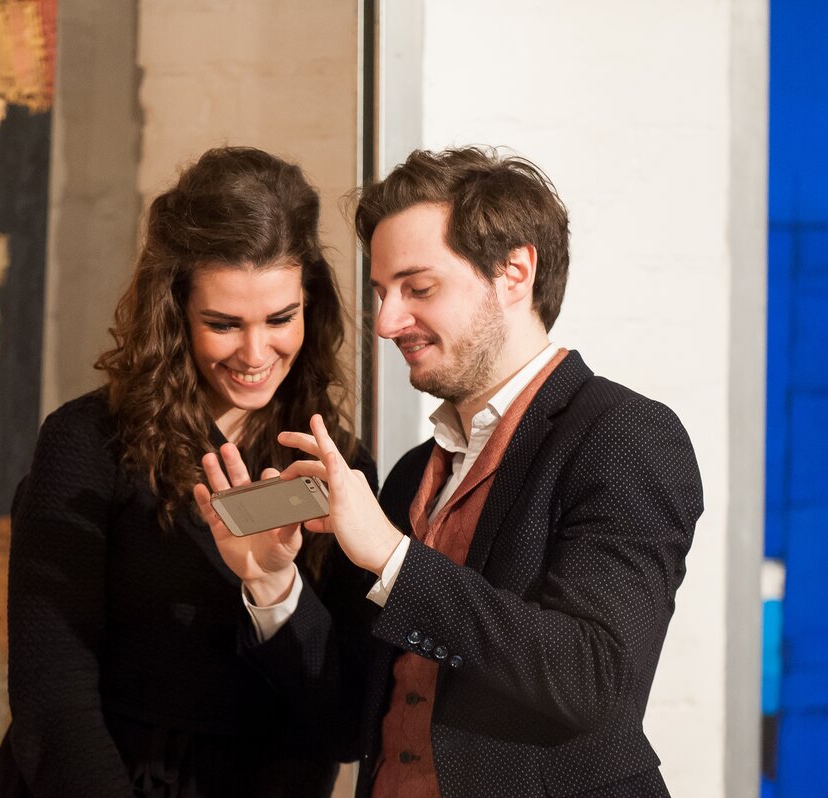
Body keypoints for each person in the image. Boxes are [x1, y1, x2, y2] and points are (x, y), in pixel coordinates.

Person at [197, 147, 704, 797]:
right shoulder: (412, 475)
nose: (387, 322)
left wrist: (392, 556)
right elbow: (351, 727)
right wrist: (273, 586)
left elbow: (593, 682)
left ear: (515, 272)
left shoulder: (624, 434)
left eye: (419, 288)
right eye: (382, 293)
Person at [0, 146, 377, 798]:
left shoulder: (338, 468)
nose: (256, 352)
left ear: (312, 303)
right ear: (175, 311)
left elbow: (345, 728)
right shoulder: (87, 444)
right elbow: (53, 706)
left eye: (281, 319)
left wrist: (276, 590)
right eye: (223, 324)